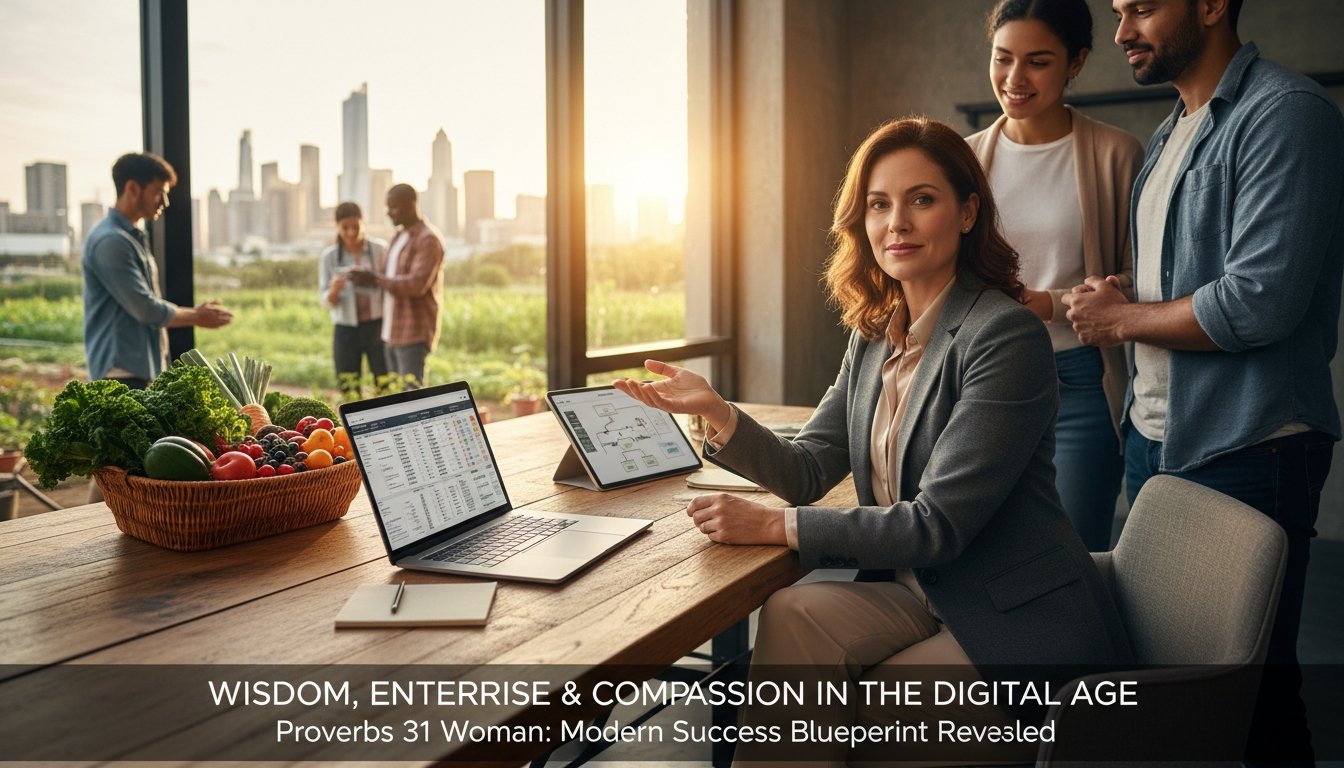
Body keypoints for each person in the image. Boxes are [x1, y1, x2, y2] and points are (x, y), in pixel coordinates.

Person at [616, 118, 1133, 765]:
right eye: (879, 205)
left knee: (882, 700)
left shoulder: (1004, 336)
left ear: (968, 211)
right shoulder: (874, 336)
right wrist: (718, 411)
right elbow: (807, 468)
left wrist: (778, 528)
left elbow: (936, 526)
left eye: (922, 199)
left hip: (1010, 609)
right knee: (791, 616)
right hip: (923, 590)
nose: (898, 223)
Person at [1063, 0, 1344, 761]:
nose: (1121, 31)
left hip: (1249, 445)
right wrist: (1123, 293)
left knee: (1253, 695)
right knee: (1172, 683)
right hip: (1156, 438)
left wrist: (1120, 321)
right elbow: (1182, 279)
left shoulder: (1287, 113)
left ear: (1212, 5)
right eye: (1118, 11)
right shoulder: (1168, 133)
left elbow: (1259, 301)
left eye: (1142, 8)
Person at [966, 0, 1143, 551]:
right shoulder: (963, 159)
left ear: (1076, 62)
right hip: (980, 379)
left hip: (1080, 385)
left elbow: (1146, 282)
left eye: (1037, 61)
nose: (1014, 80)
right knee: (981, 551)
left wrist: (1047, 302)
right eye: (1003, 59)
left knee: (1069, 554)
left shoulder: (1117, 154)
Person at [82, 152, 233, 390]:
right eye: (158, 192)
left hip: (135, 371)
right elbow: (145, 308)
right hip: (120, 374)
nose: (165, 202)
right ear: (133, 188)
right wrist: (196, 316)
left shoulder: (131, 238)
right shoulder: (111, 241)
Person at [347, 184, 444, 388]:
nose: (388, 213)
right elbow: (388, 279)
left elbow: (417, 284)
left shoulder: (428, 239)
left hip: (413, 332)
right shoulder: (399, 237)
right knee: (396, 399)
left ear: (411, 205)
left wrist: (374, 278)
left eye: (394, 207)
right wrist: (365, 278)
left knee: (412, 398)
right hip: (391, 330)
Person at [318, 201, 388, 399]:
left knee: (384, 382)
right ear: (337, 227)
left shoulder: (380, 250)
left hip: (377, 326)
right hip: (346, 329)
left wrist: (372, 279)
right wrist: (334, 290)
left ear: (363, 224)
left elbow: (390, 286)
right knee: (348, 385)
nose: (350, 232)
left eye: (355, 227)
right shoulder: (329, 257)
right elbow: (325, 301)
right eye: (345, 228)